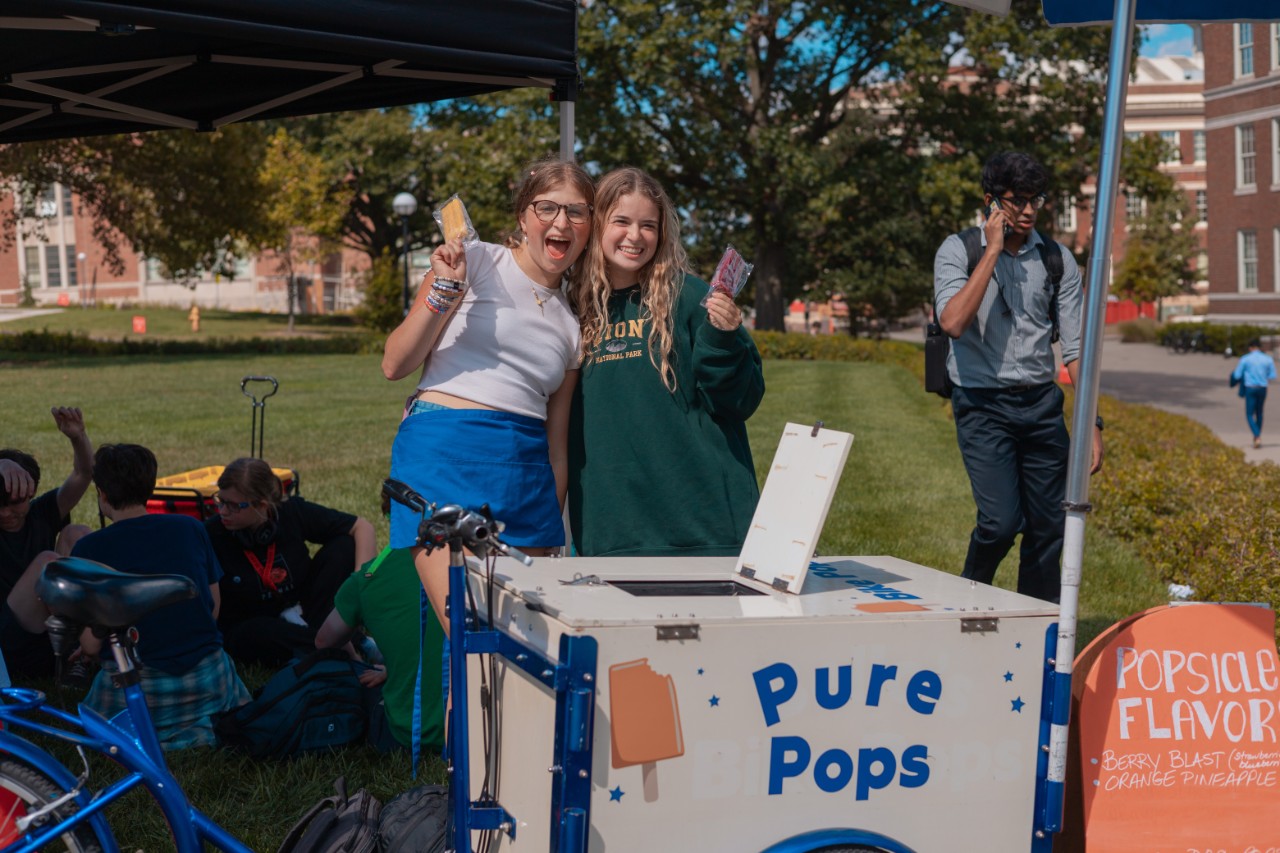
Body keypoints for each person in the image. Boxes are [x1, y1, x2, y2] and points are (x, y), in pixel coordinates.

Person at [382, 158, 593, 628]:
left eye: (577, 213)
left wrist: (551, 523)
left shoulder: (574, 324)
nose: (561, 223)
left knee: (522, 647)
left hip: (525, 477)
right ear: (523, 217)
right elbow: (395, 363)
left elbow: (557, 446)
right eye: (548, 208)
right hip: (445, 455)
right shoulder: (474, 262)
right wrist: (443, 290)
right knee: (469, 630)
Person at [568, 167, 765, 556]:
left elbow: (740, 401)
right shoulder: (570, 309)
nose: (636, 236)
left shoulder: (691, 298)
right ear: (596, 225)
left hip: (705, 531)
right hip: (611, 534)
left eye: (649, 225)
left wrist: (724, 339)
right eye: (621, 221)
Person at [933, 151, 1103, 603]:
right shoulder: (958, 250)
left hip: (1042, 407)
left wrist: (1092, 425)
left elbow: (1076, 350)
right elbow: (952, 323)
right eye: (1017, 201)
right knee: (1000, 523)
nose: (1028, 211)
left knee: (1050, 528)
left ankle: (1037, 632)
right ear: (991, 202)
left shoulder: (1058, 260)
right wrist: (991, 251)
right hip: (983, 406)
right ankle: (966, 601)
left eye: (1036, 200)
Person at [72, 444, 249, 750]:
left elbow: (90, 643)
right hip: (208, 679)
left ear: (101, 494)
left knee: (98, 721)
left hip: (136, 685)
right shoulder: (190, 528)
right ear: (151, 486)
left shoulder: (89, 549)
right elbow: (213, 606)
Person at [204, 457, 376, 667]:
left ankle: (333, 636)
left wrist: (361, 583)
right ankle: (351, 646)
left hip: (304, 606)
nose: (223, 512)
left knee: (345, 545)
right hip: (254, 623)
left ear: (262, 505)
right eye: (220, 501)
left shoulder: (290, 512)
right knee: (259, 632)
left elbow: (362, 527)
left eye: (233, 506)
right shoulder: (210, 534)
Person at [316, 546, 446, 755]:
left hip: (408, 734)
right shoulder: (477, 557)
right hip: (480, 727)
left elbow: (324, 641)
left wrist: (357, 660)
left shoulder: (369, 575)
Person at [0, 407, 93, 680]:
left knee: (77, 534)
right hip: (11, 638)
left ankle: (83, 652)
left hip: (54, 623)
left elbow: (83, 474)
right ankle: (87, 647)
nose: (6, 513)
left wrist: (78, 437)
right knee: (47, 562)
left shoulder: (42, 513)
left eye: (16, 502)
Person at [1231, 337, 1275, 449]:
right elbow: (1272, 375)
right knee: (1259, 413)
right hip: (1262, 387)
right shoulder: (1267, 359)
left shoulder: (1245, 359)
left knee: (1249, 414)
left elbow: (1237, 375)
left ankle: (1257, 435)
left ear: (1250, 348)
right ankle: (1257, 437)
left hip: (1250, 387)